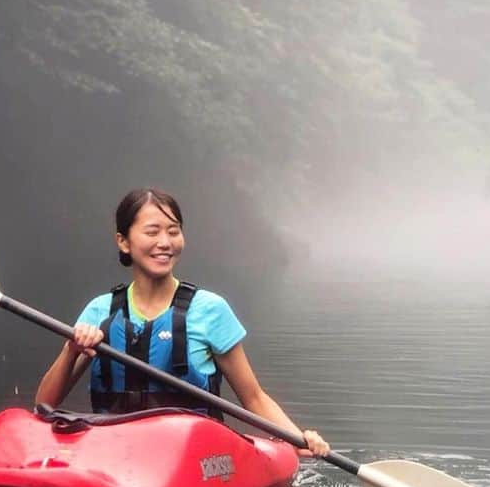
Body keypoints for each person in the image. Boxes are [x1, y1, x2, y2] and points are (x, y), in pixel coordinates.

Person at [35, 188, 331, 457]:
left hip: (192, 457)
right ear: (123, 242)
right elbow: (43, 406)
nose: (165, 242)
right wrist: (71, 350)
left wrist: (298, 440)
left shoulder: (211, 310)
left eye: (173, 231)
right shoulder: (100, 311)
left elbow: (253, 397)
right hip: (113, 450)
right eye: (152, 232)